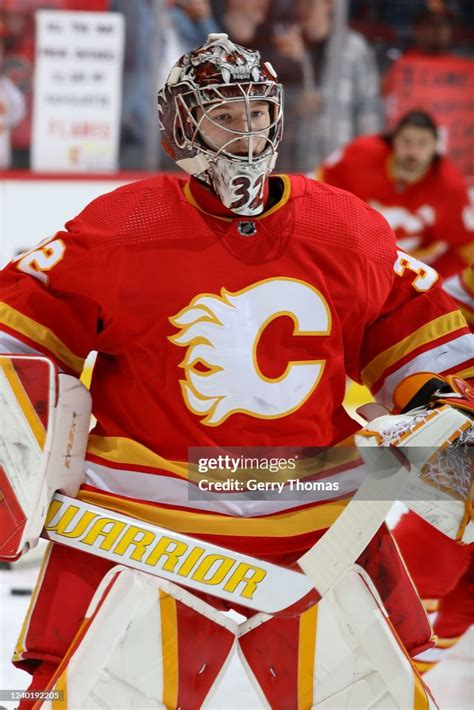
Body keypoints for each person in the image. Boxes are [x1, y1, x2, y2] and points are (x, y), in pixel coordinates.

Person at [0, 33, 473, 708]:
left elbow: (420, 343)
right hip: (146, 532)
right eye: (225, 114)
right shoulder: (122, 227)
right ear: (181, 124)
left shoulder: (346, 226)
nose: (247, 132)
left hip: (317, 531)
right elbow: (16, 334)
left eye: (257, 112)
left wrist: (438, 412)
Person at [319, 110, 474, 276]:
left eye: (423, 143)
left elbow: (466, 249)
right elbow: (318, 194)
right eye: (407, 141)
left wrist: (432, 282)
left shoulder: (450, 187)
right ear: (394, 141)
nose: (413, 152)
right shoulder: (359, 154)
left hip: (409, 271)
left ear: (435, 147)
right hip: (349, 258)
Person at [270, 0, 383, 173]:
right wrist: (292, 100)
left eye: (310, 4)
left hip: (337, 161)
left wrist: (370, 161)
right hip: (290, 159)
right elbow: (267, 99)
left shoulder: (353, 47)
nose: (302, 10)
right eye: (298, 4)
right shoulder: (285, 45)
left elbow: (368, 109)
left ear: (328, 4)